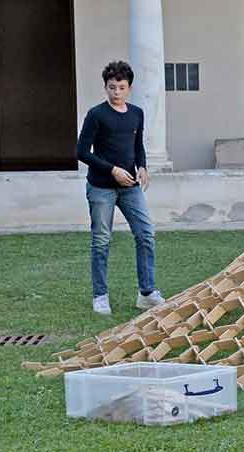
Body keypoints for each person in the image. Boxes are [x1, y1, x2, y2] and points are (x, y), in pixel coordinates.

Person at [76, 60, 163, 316]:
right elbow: (81, 152)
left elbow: (137, 146)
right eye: (111, 87)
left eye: (121, 87)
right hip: (102, 187)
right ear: (106, 87)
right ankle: (100, 296)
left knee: (146, 234)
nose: (116, 92)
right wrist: (112, 170)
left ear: (130, 88)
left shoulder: (137, 113)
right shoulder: (96, 115)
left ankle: (147, 293)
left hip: (131, 188)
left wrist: (143, 166)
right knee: (101, 240)